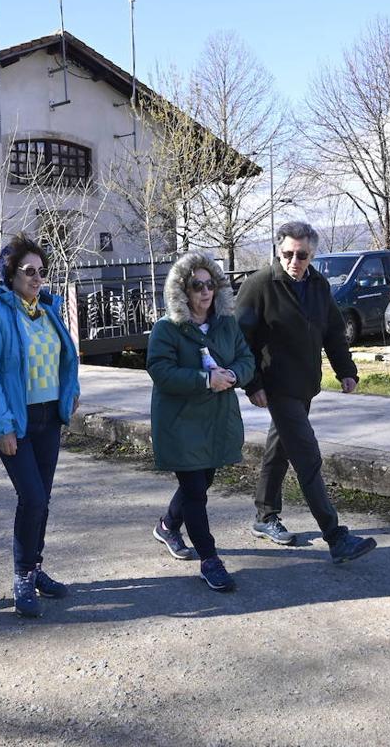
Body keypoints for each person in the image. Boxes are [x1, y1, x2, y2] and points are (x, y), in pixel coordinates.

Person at [235, 221, 376, 564]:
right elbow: (240, 340)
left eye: (302, 254)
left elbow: (332, 331)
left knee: (280, 449)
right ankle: (335, 536)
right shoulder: (259, 286)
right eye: (288, 253)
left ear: (312, 254)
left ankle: (264, 516)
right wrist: (252, 384)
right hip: (276, 386)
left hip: (306, 385)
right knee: (308, 457)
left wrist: (346, 370)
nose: (294, 260)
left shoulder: (317, 284)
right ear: (278, 251)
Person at [0, 235, 80, 618]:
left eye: (42, 272)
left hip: (49, 417)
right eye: (29, 271)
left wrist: (72, 393)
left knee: (43, 499)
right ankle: (21, 577)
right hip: (15, 421)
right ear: (10, 273)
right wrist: (2, 426)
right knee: (31, 497)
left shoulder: (48, 310)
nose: (37, 278)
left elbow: (67, 358)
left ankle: (34, 569)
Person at [147, 251, 255, 592]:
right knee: (195, 491)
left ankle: (167, 525)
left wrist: (235, 375)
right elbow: (160, 371)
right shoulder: (167, 329)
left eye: (211, 284)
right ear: (183, 290)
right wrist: (205, 380)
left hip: (216, 421)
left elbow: (246, 359)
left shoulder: (227, 324)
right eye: (197, 285)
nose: (205, 292)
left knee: (201, 482)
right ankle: (210, 559)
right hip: (181, 423)